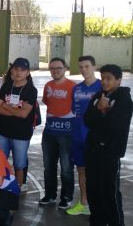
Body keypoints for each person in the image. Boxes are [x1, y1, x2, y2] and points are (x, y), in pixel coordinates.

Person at [83, 64, 132, 225]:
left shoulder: (124, 99)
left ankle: (115, 222)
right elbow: (88, 121)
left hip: (110, 153)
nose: (104, 82)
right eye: (103, 78)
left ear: (118, 80)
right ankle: (97, 221)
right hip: (93, 151)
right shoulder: (98, 96)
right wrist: (98, 108)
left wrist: (103, 111)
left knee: (109, 191)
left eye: (109, 79)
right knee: (93, 189)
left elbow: (115, 125)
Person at [38, 58, 76, 209]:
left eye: (58, 68)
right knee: (49, 167)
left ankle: (67, 197)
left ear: (65, 68)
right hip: (49, 133)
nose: (55, 71)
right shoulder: (48, 86)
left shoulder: (73, 87)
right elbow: (48, 102)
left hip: (67, 134)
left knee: (66, 167)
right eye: (52, 68)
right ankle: (50, 195)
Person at [0, 58, 37, 186]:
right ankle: (0, 186)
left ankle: (17, 189)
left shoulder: (31, 90)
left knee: (19, 165)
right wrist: (15, 110)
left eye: (22, 70)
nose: (18, 73)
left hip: (21, 134)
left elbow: (24, 114)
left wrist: (6, 106)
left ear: (27, 73)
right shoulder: (7, 86)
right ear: (12, 70)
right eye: (16, 69)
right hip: (3, 132)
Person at [66, 55, 100, 216]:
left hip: (95, 138)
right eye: (81, 67)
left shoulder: (102, 87)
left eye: (87, 66)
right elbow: (74, 110)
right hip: (78, 137)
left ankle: (99, 206)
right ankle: (84, 203)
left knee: (97, 172)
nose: (84, 70)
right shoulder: (76, 88)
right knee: (81, 171)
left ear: (94, 67)